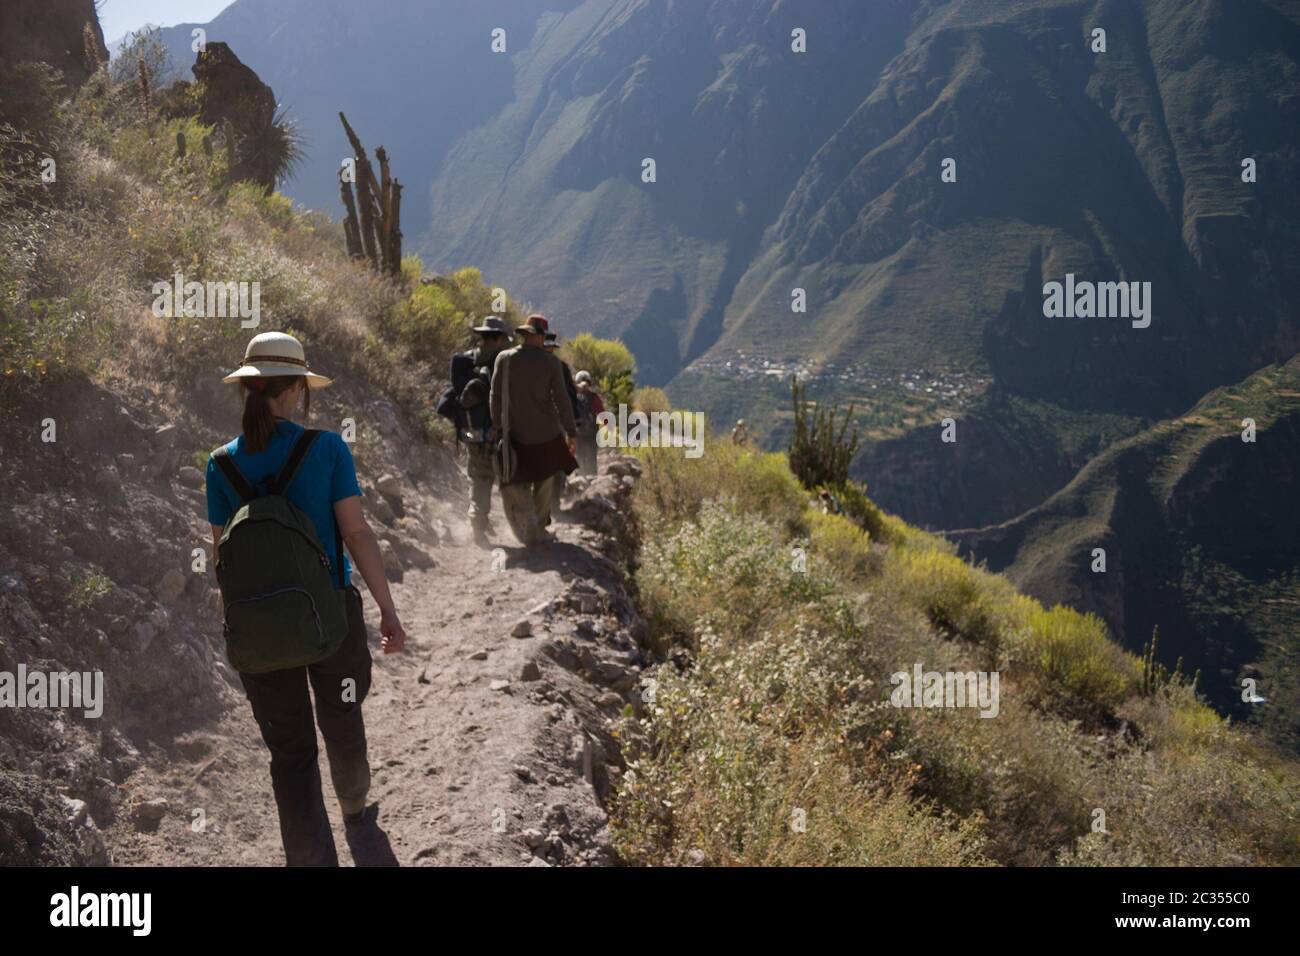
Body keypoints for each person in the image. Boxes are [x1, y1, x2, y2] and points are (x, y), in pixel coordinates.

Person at [205, 331, 407, 867]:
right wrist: (387, 610)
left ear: (248, 388)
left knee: (290, 754)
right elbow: (358, 534)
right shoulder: (327, 449)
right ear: (296, 389)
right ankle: (357, 809)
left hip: (259, 629)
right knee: (342, 720)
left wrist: (240, 626)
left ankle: (310, 859)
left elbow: (222, 553)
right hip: (330, 618)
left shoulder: (219, 464)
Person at [489, 315, 578, 545]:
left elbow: (495, 396)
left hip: (514, 433)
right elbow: (562, 400)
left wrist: (497, 426)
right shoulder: (551, 363)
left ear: (525, 334)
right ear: (538, 337)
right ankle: (538, 525)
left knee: (515, 478)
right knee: (544, 480)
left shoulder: (504, 359)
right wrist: (571, 432)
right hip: (546, 434)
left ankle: (527, 520)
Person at [448, 315, 511, 546]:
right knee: (497, 478)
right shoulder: (500, 362)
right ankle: (479, 524)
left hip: (470, 433)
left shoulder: (466, 360)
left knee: (479, 478)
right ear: (499, 339)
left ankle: (482, 519)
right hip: (496, 433)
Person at [544, 330, 582, 504]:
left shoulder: (527, 364)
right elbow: (570, 397)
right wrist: (573, 422)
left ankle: (542, 502)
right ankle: (554, 501)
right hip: (557, 421)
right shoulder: (561, 367)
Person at [573, 370, 605, 476]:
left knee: (580, 458)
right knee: (591, 458)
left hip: (578, 434)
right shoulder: (594, 397)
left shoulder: (573, 397)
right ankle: (592, 484)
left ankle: (579, 482)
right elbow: (603, 416)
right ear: (590, 383)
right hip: (592, 434)